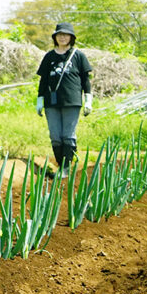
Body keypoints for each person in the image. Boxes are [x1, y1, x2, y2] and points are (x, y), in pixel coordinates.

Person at [35, 23, 93, 178]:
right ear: (55, 37)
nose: (62, 37)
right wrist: (40, 100)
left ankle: (66, 168)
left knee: (68, 134)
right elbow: (43, 80)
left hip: (72, 101)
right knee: (55, 135)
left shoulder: (78, 55)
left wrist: (88, 99)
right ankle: (62, 165)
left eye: (66, 35)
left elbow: (85, 79)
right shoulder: (49, 56)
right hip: (51, 101)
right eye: (59, 34)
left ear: (71, 38)